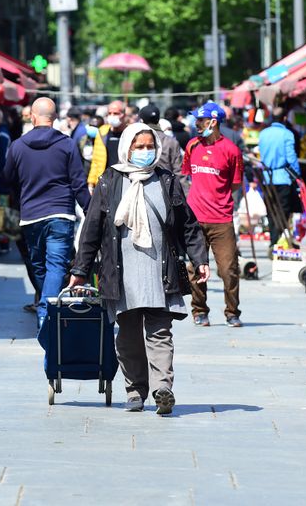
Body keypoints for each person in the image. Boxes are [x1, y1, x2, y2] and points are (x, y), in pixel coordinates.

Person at [68, 123, 209, 414]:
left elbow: (188, 225)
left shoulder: (166, 180)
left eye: (149, 146)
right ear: (127, 148)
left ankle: (162, 388)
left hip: (160, 271)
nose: (145, 151)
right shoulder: (110, 180)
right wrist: (80, 269)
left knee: (160, 331)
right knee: (128, 335)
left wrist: (200, 259)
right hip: (121, 274)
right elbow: (92, 228)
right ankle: (135, 392)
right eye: (139, 146)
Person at [3, 97, 90, 326]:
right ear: (54, 118)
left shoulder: (17, 146)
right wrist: (91, 209)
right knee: (55, 266)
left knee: (40, 265)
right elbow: (78, 183)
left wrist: (21, 196)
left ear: (32, 116)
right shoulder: (67, 144)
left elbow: (7, 179)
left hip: (30, 214)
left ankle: (45, 311)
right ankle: (49, 309)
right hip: (61, 213)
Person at [182, 102, 245, 327]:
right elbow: (187, 176)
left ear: (213, 122)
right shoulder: (191, 146)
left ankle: (232, 312)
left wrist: (218, 198)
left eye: (200, 120)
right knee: (194, 268)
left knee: (228, 269)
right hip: (195, 218)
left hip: (222, 219)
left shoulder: (231, 150)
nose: (196, 124)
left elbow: (236, 183)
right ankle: (199, 310)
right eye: (196, 120)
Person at [257, 109, 301, 246]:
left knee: (271, 210)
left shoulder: (263, 134)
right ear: (284, 118)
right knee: (283, 210)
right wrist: (297, 175)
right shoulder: (287, 134)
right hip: (282, 178)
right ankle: (279, 240)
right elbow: (291, 158)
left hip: (266, 178)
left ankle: (273, 240)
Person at [87, 100, 128, 189]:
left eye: (116, 113)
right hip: (104, 182)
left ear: (124, 115)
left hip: (124, 181)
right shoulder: (102, 132)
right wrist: (91, 183)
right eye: (110, 113)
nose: (112, 116)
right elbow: (95, 160)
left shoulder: (130, 132)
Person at [139, 103, 181, 173]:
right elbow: (178, 171)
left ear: (141, 120)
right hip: (166, 182)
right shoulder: (171, 142)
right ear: (158, 120)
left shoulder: (135, 139)